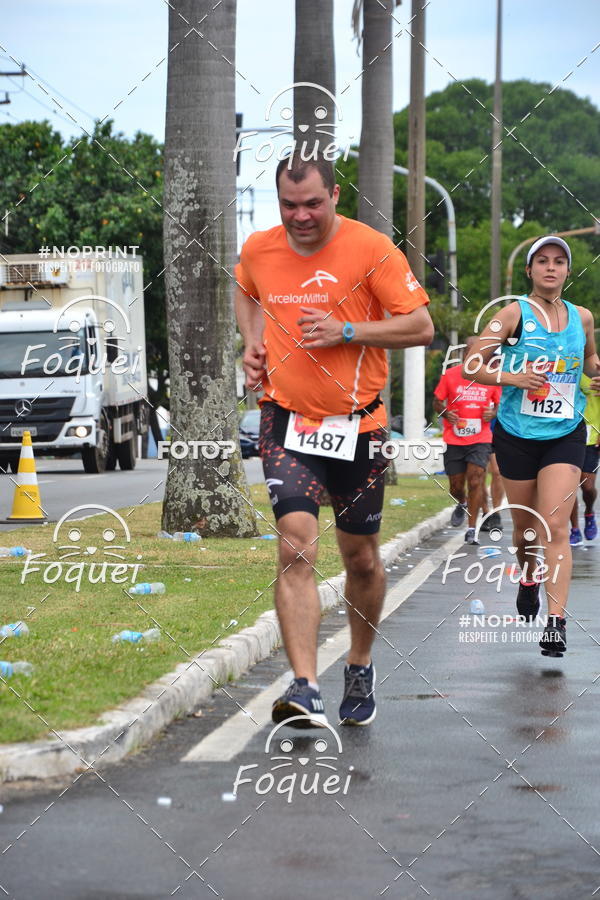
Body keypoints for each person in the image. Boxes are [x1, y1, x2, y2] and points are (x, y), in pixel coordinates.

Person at [234, 153, 433, 727]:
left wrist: (348, 330)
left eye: (312, 203)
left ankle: (360, 662)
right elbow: (246, 289)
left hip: (359, 426)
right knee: (296, 544)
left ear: (336, 195)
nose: (300, 216)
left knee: (361, 558)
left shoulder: (372, 250)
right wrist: (253, 343)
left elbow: (420, 326)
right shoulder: (259, 249)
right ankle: (304, 687)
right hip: (286, 419)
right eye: (289, 204)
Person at [464, 235, 600, 658]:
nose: (551, 268)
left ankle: (556, 624)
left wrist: (596, 374)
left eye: (559, 262)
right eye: (542, 261)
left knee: (555, 526)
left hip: (565, 432)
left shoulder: (583, 317)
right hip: (517, 434)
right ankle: (527, 578)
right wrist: (513, 378)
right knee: (527, 533)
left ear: (566, 270)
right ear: (530, 270)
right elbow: (472, 362)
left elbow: (591, 359)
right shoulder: (512, 314)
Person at [433, 337, 501, 544]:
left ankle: (472, 528)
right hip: (454, 438)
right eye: (470, 351)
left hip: (480, 438)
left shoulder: (491, 377)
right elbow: (437, 401)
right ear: (464, 354)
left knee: (476, 479)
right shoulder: (451, 375)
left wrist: (493, 412)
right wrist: (445, 413)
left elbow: (499, 404)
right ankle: (460, 502)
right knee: (456, 486)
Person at [569, 373, 600, 545]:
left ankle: (589, 512)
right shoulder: (567, 370)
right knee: (569, 487)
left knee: (588, 487)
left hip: (591, 436)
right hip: (567, 435)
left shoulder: (596, 375)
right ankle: (574, 528)